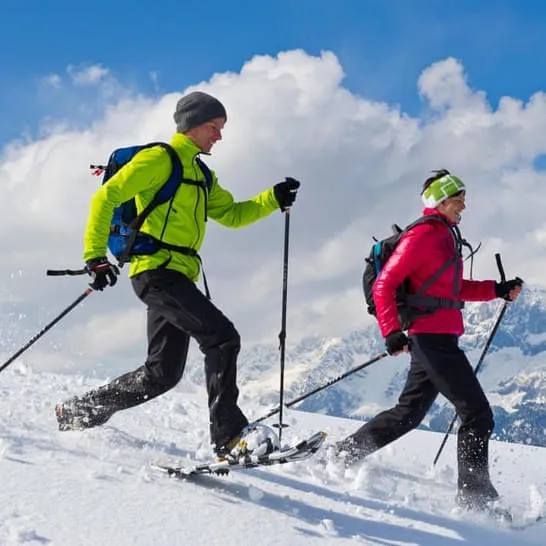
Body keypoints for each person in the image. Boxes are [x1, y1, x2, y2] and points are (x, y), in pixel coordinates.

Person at [55, 91, 301, 457]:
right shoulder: (159, 160)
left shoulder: (202, 174)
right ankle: (229, 437)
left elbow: (233, 215)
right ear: (193, 125)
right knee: (221, 338)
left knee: (162, 374)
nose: (219, 136)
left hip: (178, 276)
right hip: (155, 272)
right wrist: (95, 257)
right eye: (214, 127)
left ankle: (77, 412)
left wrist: (272, 198)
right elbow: (105, 197)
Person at [335, 169, 523, 510]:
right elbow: (384, 285)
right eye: (458, 199)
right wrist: (391, 331)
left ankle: (340, 455)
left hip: (441, 339)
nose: (464, 206)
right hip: (430, 338)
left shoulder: (446, 237)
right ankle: (475, 500)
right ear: (441, 200)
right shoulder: (423, 236)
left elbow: (455, 290)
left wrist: (496, 290)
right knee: (477, 414)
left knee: (408, 415)